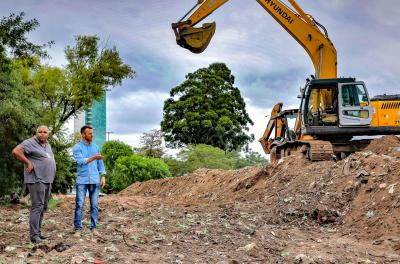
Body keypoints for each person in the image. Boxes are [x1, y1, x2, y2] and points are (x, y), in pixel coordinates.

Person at [12, 125, 56, 244]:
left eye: (45, 132)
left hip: (47, 180)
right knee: (37, 206)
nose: (42, 134)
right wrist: (28, 162)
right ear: (36, 133)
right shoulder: (30, 142)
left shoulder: (47, 144)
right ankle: (34, 236)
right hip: (36, 179)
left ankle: (38, 233)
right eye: (40, 132)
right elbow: (16, 151)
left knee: (43, 206)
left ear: (48, 134)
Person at [72, 125, 106, 237]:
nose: (92, 135)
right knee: (79, 205)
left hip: (95, 180)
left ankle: (94, 228)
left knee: (95, 205)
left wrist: (103, 176)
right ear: (83, 135)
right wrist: (94, 157)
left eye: (92, 133)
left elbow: (100, 163)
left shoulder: (96, 147)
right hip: (82, 180)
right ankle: (78, 229)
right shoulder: (77, 147)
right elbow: (81, 161)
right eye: (90, 133)